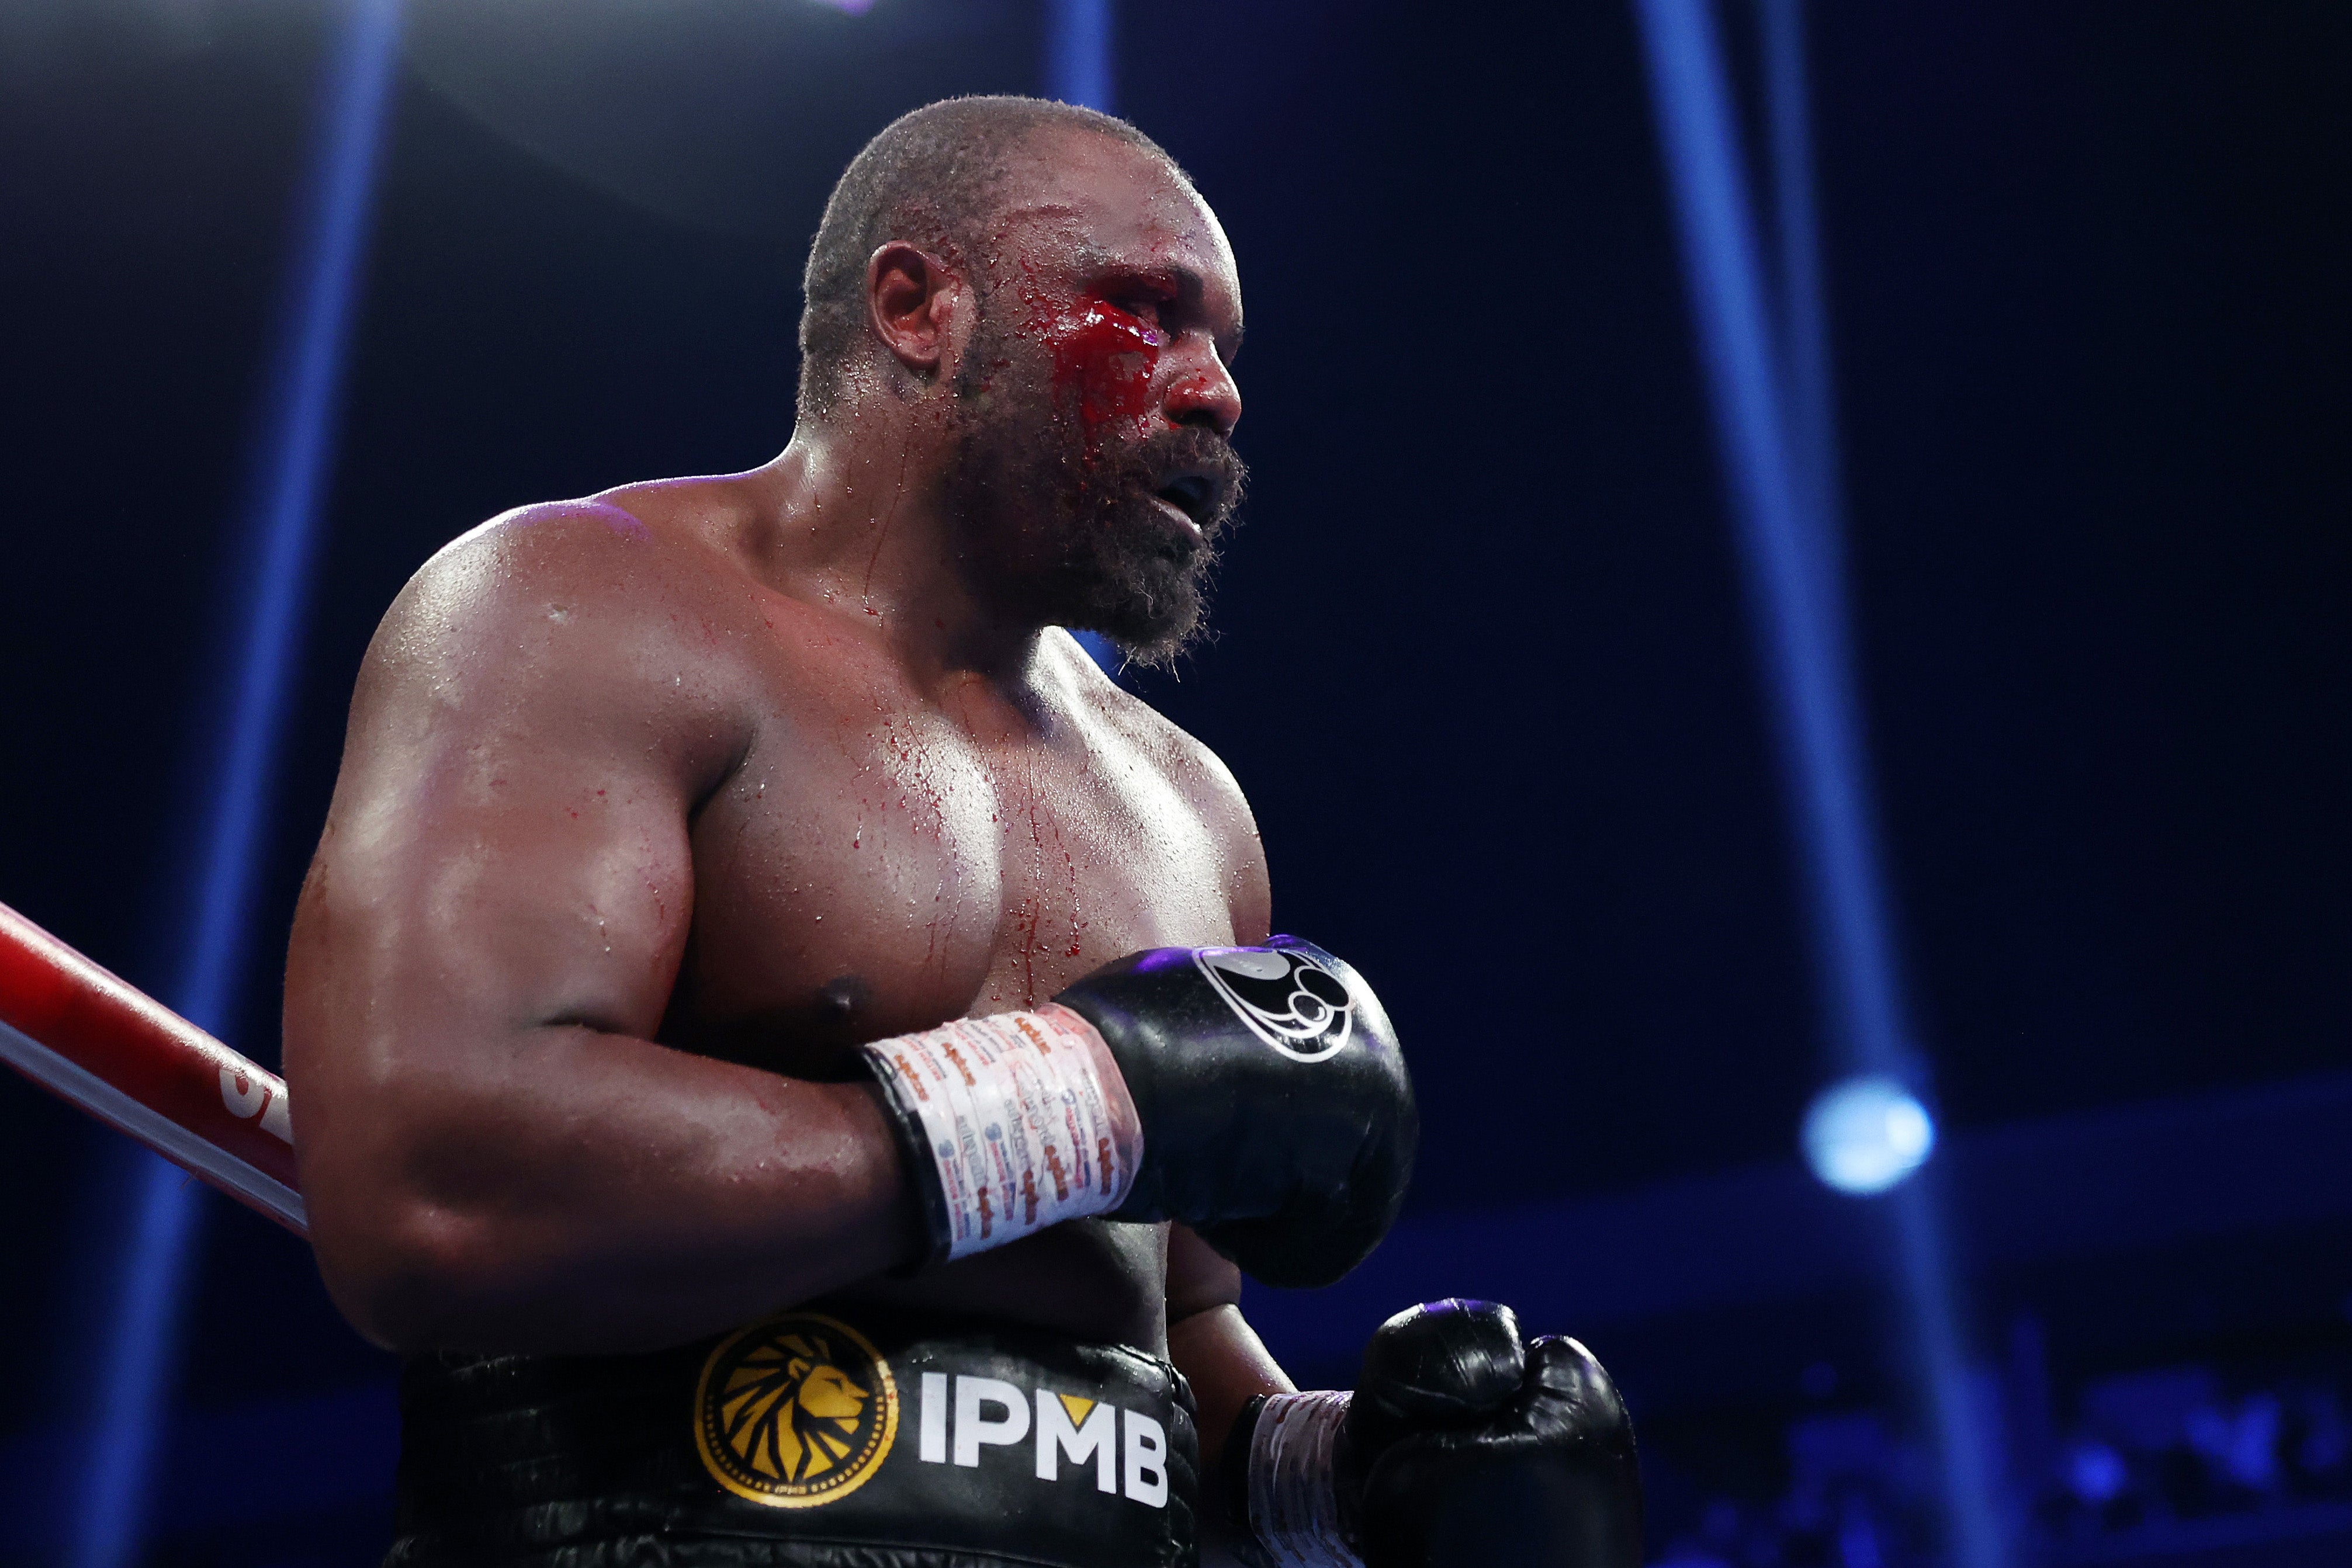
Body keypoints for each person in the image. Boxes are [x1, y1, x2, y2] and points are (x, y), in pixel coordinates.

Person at [283, 96, 1640, 1568]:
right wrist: (1069, 1102)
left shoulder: (1186, 803)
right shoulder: (590, 608)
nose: (1215, 392)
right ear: (919, 309)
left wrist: (1351, 1479)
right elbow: (435, 1191)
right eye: (1144, 309)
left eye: (1225, 349)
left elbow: (1159, 1342)